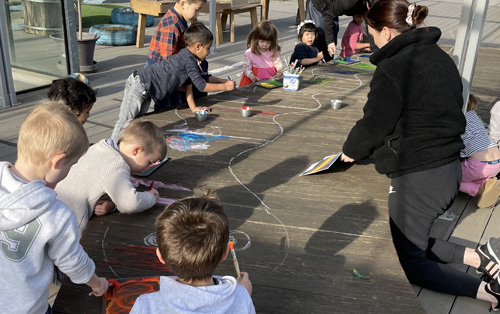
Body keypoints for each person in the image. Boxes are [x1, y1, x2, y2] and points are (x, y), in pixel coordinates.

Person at [340, 0, 500, 308]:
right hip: (450, 168)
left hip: (420, 177)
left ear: (386, 32)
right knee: (409, 241)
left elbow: (374, 124)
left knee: (407, 262)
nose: (372, 39)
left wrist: (349, 152)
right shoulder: (441, 58)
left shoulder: (394, 67)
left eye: (372, 33)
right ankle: (481, 257)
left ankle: (487, 292)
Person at [0, 101, 109, 314]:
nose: (69, 171)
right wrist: (96, 283)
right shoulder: (55, 214)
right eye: (71, 165)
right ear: (57, 162)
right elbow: (72, 261)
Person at [130, 195, 255, 314]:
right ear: (225, 253)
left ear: (160, 256)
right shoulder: (242, 298)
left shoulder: (146, 305)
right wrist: (242, 293)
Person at [110, 22, 234, 142]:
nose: (209, 52)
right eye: (208, 48)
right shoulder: (188, 60)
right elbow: (201, 86)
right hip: (140, 84)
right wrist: (225, 86)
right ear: (198, 46)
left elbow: (188, 87)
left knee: (135, 121)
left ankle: (124, 147)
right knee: (125, 121)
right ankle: (111, 148)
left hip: (146, 89)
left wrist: (194, 108)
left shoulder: (188, 57)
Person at [55, 120, 167, 238]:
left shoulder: (101, 147)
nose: (148, 168)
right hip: (66, 227)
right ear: (136, 151)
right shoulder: (117, 166)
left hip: (53, 205)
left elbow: (97, 182)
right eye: (149, 162)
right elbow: (130, 203)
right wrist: (151, 197)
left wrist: (112, 205)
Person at [146, 0, 213, 110]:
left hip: (171, 74)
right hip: (161, 76)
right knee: (165, 108)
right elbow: (168, 61)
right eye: (196, 10)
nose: (197, 14)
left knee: (177, 104)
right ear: (183, 4)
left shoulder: (180, 19)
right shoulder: (171, 25)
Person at [460, 94, 500, 208]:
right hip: (496, 163)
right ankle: (487, 183)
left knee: (449, 177)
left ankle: (478, 190)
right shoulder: (473, 116)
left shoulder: (459, 120)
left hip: (480, 165)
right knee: (471, 170)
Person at [239, 21, 283, 88]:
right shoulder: (249, 53)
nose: (265, 45)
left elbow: (278, 63)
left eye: (268, 42)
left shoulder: (273, 51)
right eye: (262, 41)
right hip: (253, 81)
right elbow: (247, 68)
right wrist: (251, 76)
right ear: (256, 39)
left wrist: (279, 70)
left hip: (270, 80)